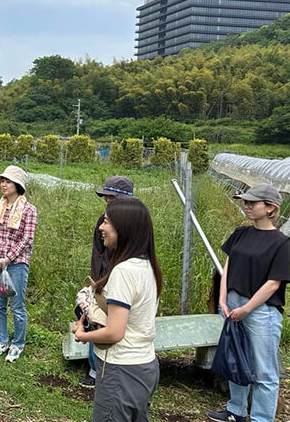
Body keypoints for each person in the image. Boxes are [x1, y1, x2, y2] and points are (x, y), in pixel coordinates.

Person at [207, 184, 290, 422]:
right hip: (233, 304)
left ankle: (261, 418)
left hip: (260, 311)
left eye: (252, 203)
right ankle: (236, 411)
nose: (246, 207)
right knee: (236, 357)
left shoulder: (281, 243)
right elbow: (228, 266)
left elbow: (274, 283)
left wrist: (247, 309)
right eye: (245, 202)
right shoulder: (241, 233)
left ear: (270, 208)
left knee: (264, 370)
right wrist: (223, 299)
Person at [73, 197, 162, 422]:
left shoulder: (124, 271)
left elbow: (115, 332)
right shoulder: (147, 265)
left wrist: (83, 335)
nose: (101, 227)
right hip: (144, 365)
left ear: (125, 228)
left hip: (120, 370)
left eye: (107, 222)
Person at [81, 176, 135, 388]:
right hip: (103, 279)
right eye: (107, 198)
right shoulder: (102, 222)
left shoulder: (133, 225)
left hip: (124, 282)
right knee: (96, 319)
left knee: (120, 325)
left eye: (112, 198)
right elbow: (98, 253)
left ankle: (116, 373)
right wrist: (96, 283)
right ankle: (95, 371)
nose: (108, 202)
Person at [0, 165, 37, 362]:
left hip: (16, 263)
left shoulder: (29, 210)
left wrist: (8, 258)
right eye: (2, 181)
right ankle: (1, 340)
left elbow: (27, 240)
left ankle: (18, 343)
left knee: (16, 305)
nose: (3, 185)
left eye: (7, 181)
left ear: (18, 185)